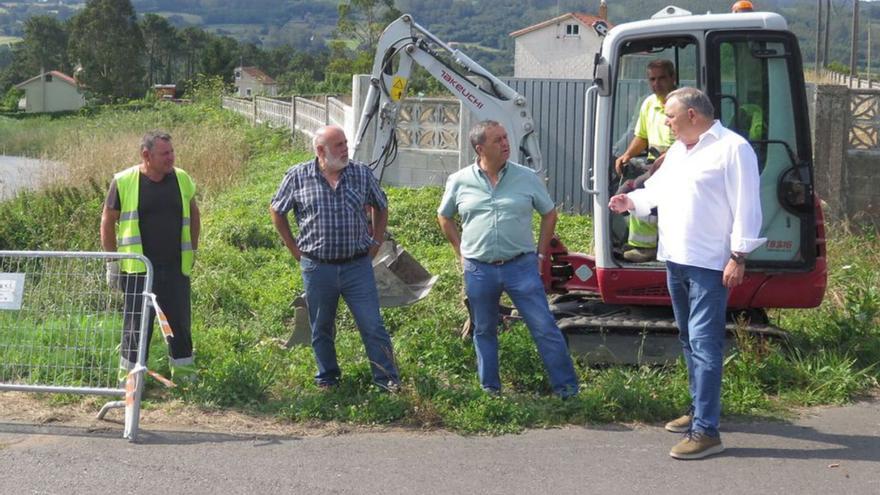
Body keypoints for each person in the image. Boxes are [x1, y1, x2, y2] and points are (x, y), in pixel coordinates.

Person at [609, 88, 765, 460]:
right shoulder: (680, 150)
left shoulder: (733, 148)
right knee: (689, 340)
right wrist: (632, 201)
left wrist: (738, 255)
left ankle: (707, 432)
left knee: (706, 344)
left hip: (710, 264)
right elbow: (658, 190)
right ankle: (699, 411)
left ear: (692, 115)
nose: (665, 122)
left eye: (671, 116)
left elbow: (748, 204)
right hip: (676, 259)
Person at [437, 120, 579, 398]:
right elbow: (444, 216)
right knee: (484, 329)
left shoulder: (526, 177)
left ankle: (568, 390)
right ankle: (490, 390)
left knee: (544, 327)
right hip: (479, 268)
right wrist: (461, 252)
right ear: (480, 149)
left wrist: (540, 253)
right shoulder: (459, 180)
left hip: (521, 266)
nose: (506, 144)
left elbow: (549, 213)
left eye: (505, 138)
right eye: (497, 140)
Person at [269, 125, 399, 391]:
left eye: (345, 143)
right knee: (321, 327)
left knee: (372, 324)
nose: (345, 149)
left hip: (357, 266)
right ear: (320, 151)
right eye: (338, 145)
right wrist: (293, 248)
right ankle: (328, 378)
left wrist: (375, 241)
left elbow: (381, 205)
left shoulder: (361, 174)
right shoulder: (298, 176)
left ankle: (387, 380)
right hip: (318, 267)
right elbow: (277, 210)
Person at [101, 131, 200, 383]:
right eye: (164, 154)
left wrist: (194, 249)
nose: (171, 158)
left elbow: (193, 213)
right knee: (136, 327)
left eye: (172, 152)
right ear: (146, 155)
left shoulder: (181, 178)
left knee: (179, 325)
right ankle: (132, 382)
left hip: (176, 268)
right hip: (137, 271)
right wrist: (111, 263)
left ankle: (185, 379)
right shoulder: (123, 181)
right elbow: (107, 220)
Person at [613, 59, 677, 263]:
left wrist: (669, 157)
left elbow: (691, 138)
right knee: (622, 190)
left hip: (679, 164)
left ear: (672, 78)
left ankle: (645, 247)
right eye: (652, 79)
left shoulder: (682, 103)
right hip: (654, 161)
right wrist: (627, 155)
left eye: (661, 78)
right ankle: (632, 240)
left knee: (638, 188)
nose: (656, 84)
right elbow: (642, 136)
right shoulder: (649, 103)